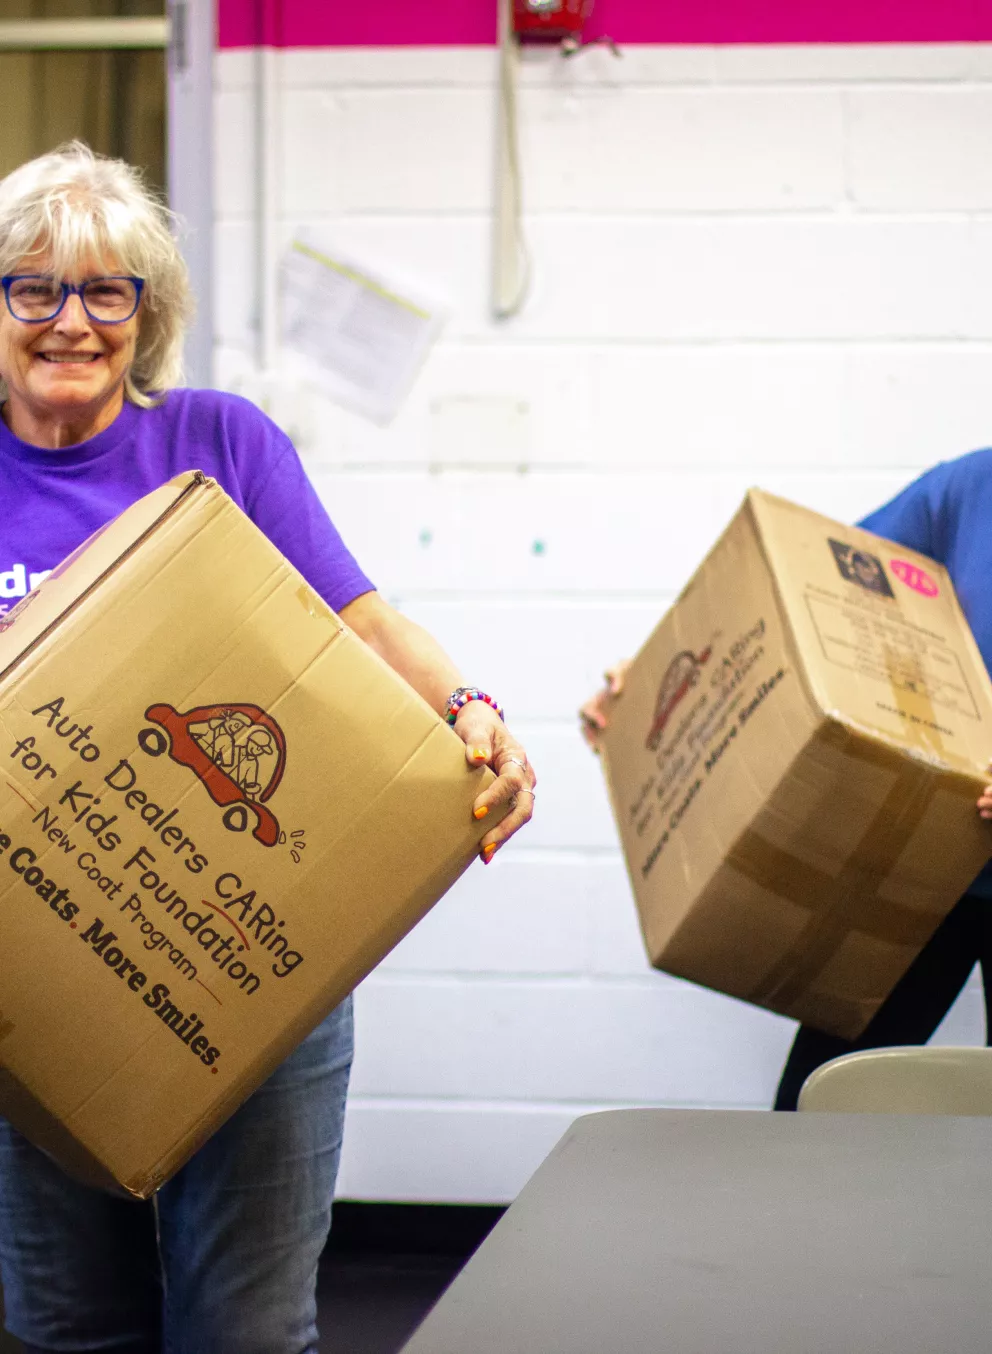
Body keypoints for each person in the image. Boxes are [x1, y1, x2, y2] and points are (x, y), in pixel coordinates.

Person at [0, 142, 536, 1354]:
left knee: (243, 1332)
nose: (69, 321)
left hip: (248, 978)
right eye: (32, 287)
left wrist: (469, 708)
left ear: (149, 311)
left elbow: (360, 621)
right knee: (65, 1329)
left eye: (105, 290)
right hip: (27, 982)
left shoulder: (219, 443)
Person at [580, 465, 992, 1112]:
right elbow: (801, 593)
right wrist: (653, 683)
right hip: (935, 873)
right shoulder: (970, 488)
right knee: (817, 1104)